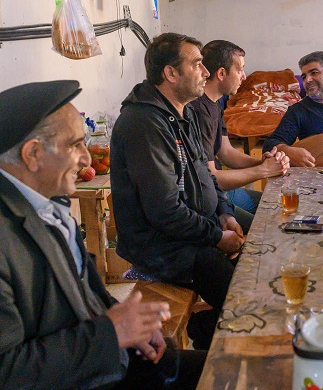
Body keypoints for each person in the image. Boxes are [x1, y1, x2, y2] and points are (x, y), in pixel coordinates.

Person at [0, 80, 205, 389]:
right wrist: (112, 332)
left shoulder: (48, 204)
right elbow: (8, 372)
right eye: (75, 145)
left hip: (106, 361)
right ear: (32, 154)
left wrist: (126, 322)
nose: (86, 159)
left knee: (235, 369)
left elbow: (81, 292)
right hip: (84, 376)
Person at [110, 33, 245, 350]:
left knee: (254, 269)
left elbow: (208, 176)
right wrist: (216, 236)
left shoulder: (185, 113)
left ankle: (210, 331)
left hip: (193, 234)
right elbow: (164, 211)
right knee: (244, 304)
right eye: (197, 64)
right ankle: (202, 335)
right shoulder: (143, 123)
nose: (206, 72)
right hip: (162, 246)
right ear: (170, 73)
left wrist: (224, 214)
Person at [191, 40, 289, 230]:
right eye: (240, 70)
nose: (244, 77)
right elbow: (212, 177)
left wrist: (262, 162)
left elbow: (226, 151)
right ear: (221, 73)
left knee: (282, 206)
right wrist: (263, 171)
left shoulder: (216, 103)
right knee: (265, 230)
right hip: (212, 196)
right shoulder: (198, 110)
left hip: (225, 191)